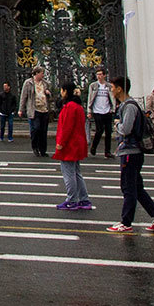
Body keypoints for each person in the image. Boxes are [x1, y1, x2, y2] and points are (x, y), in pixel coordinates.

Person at [109, 77, 154, 233]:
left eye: (112, 87)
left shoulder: (129, 106)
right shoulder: (129, 105)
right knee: (137, 188)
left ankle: (126, 222)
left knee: (128, 188)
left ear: (120, 88)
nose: (111, 90)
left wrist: (117, 124)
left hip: (130, 151)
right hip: (134, 152)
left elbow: (126, 129)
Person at [53, 81, 93, 211]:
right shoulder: (78, 106)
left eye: (62, 90)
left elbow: (67, 127)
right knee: (76, 173)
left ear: (65, 91)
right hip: (77, 143)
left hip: (69, 145)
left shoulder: (69, 107)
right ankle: (83, 199)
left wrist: (61, 143)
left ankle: (72, 200)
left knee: (68, 173)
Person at [19, 67, 56, 157]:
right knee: (36, 129)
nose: (43, 75)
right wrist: (21, 109)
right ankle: (35, 147)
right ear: (36, 73)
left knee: (43, 131)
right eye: (42, 73)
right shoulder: (28, 83)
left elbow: (51, 97)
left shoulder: (45, 83)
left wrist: (48, 93)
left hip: (44, 109)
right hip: (34, 110)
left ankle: (43, 150)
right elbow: (24, 97)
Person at [86, 67, 116, 158]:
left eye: (100, 74)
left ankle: (107, 151)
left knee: (108, 131)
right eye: (97, 74)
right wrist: (89, 110)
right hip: (97, 110)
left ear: (104, 75)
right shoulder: (93, 85)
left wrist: (113, 109)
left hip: (107, 110)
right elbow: (90, 98)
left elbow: (113, 98)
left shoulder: (109, 86)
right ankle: (94, 147)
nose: (98, 76)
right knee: (99, 130)